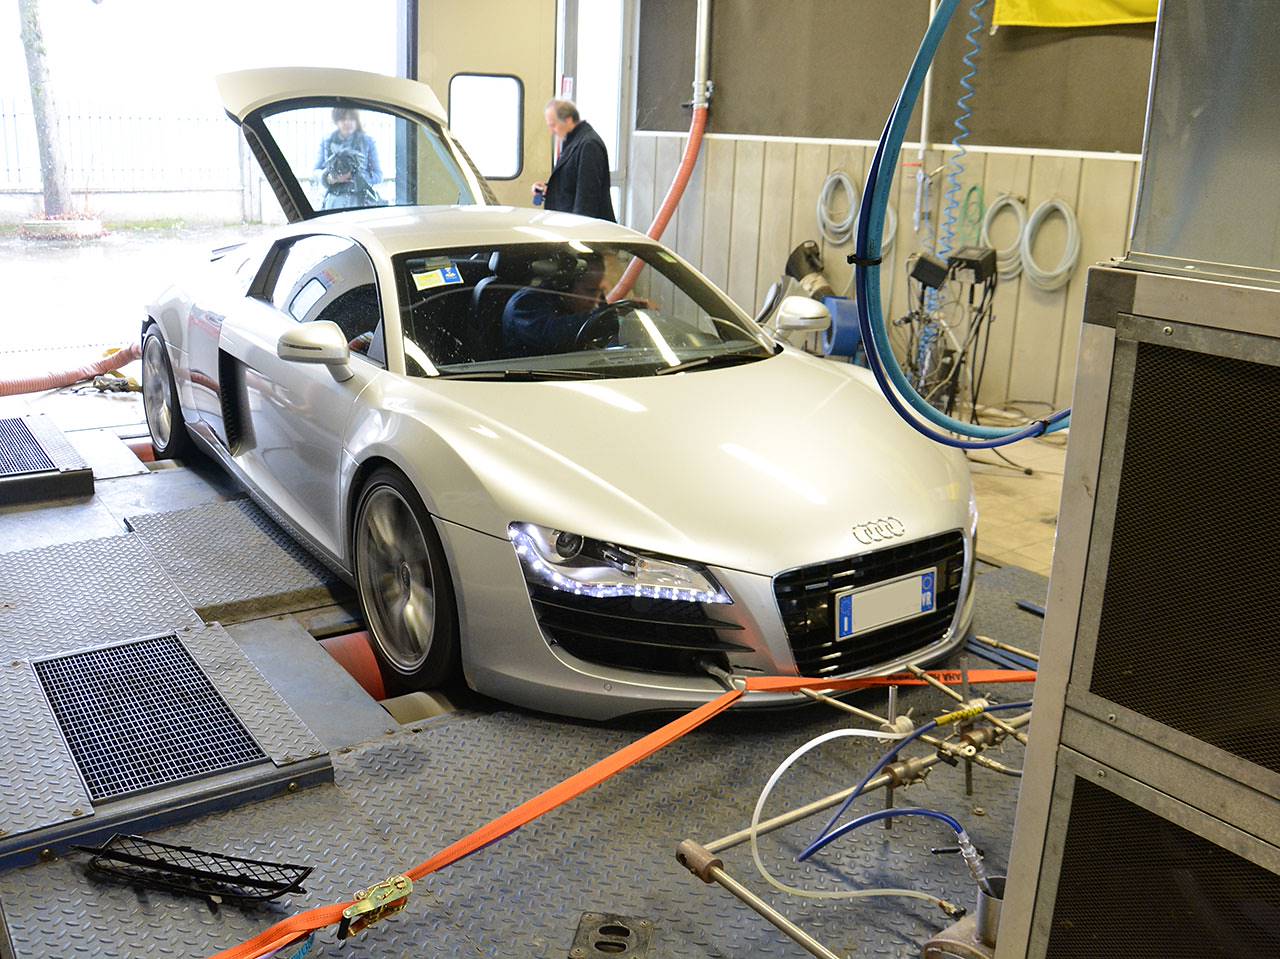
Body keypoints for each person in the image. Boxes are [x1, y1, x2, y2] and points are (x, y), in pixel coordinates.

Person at [502, 253, 608, 357]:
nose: (596, 300)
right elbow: (554, 335)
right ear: (566, 286)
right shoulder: (525, 304)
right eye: (591, 291)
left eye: (601, 292)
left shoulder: (573, 305)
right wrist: (603, 320)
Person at [533, 100, 616, 222]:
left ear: (568, 120)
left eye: (553, 125)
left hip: (585, 226)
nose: (552, 131)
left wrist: (576, 228)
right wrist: (548, 189)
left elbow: (587, 197)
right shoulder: (573, 141)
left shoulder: (589, 145)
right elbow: (570, 183)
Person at [314, 108, 384, 210]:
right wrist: (330, 178)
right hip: (333, 202)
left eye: (351, 119)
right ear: (336, 121)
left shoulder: (367, 142)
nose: (347, 122)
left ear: (357, 121)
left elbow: (378, 175)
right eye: (343, 119)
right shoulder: (327, 141)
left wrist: (358, 178)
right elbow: (315, 171)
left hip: (361, 201)